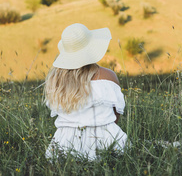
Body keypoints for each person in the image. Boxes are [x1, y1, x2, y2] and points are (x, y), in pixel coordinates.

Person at [45, 23, 128, 160]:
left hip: (64, 145)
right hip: (106, 142)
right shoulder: (108, 76)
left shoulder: (55, 80)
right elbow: (116, 115)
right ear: (92, 47)